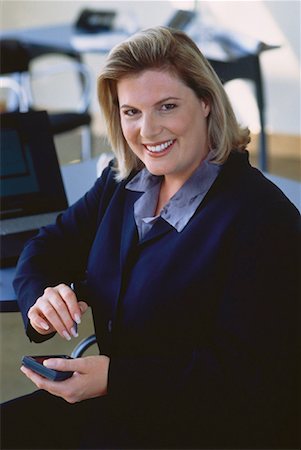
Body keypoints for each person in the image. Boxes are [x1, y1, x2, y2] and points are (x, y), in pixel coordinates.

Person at [1, 26, 300, 449]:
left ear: (206, 102)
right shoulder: (124, 183)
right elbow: (47, 245)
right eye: (131, 112)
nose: (148, 130)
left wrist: (115, 380)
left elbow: (248, 380)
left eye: (166, 106)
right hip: (119, 405)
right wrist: (41, 299)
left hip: (201, 429)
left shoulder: (263, 220)